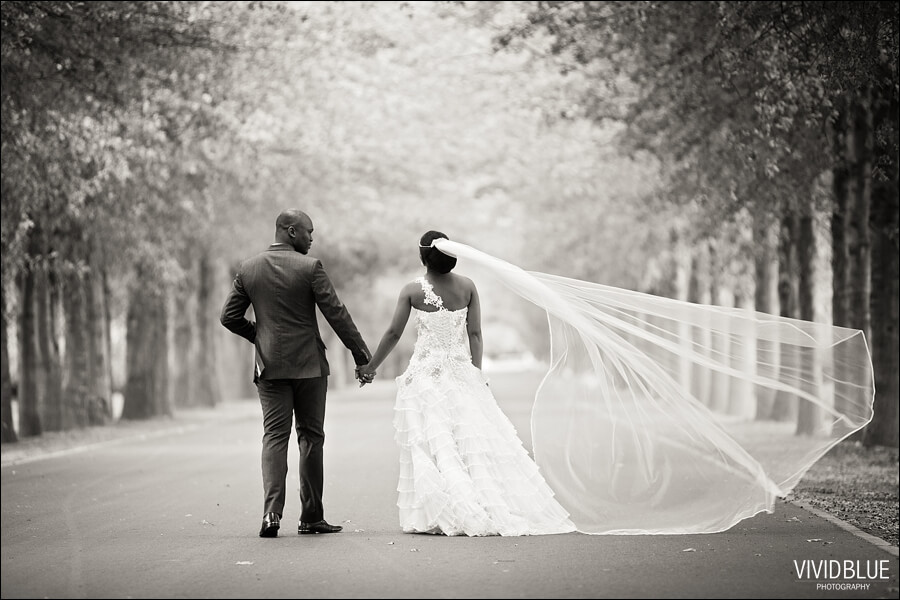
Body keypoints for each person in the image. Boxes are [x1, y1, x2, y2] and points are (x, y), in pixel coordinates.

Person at [357, 231, 576, 536]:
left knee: (433, 443)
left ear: (423, 257)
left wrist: (370, 367)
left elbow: (393, 334)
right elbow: (475, 335)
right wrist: (477, 374)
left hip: (426, 377)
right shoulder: (468, 287)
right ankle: (479, 504)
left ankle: (443, 510)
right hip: (461, 373)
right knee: (469, 440)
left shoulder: (412, 291)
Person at [220, 209, 373, 538]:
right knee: (311, 438)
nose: (312, 238)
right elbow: (337, 313)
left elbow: (228, 317)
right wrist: (362, 356)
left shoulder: (248, 268)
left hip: (270, 367)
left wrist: (260, 336)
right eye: (308, 232)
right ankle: (311, 517)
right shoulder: (310, 267)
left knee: (274, 437)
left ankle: (271, 515)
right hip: (309, 367)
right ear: (290, 231)